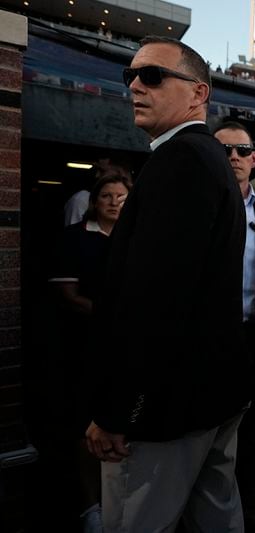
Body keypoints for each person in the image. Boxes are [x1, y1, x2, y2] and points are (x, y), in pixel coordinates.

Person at [85, 36, 251, 532]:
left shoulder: (181, 161)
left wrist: (119, 412)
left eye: (153, 76)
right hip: (206, 399)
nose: (135, 84)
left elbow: (156, 301)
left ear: (198, 93)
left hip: (165, 410)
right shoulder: (203, 160)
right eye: (131, 75)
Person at [49, 174, 131, 533]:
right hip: (83, 347)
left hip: (126, 351)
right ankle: (90, 509)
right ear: (94, 201)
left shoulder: (137, 241)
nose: (114, 202)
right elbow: (68, 296)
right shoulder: (73, 239)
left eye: (122, 197)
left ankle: (118, 504)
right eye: (107, 196)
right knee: (85, 428)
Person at [214, 121, 255, 533]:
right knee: (208, 438)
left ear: (253, 159)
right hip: (208, 343)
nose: (233, 158)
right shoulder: (196, 208)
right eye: (224, 151)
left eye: (241, 151)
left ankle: (253, 519)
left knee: (253, 439)